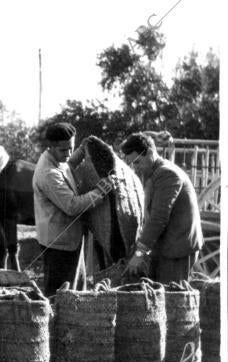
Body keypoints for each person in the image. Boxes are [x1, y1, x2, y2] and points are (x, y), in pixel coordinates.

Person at [32, 122, 112, 297]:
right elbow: (71, 206)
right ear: (50, 147)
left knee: (76, 289)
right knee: (60, 296)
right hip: (59, 245)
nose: (68, 154)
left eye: (71, 148)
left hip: (69, 239)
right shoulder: (48, 173)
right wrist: (99, 192)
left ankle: (73, 323)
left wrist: (82, 151)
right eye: (63, 150)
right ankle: (56, 324)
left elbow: (67, 165)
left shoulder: (56, 159)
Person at [121, 133, 203, 283]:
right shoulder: (153, 172)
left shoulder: (167, 173)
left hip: (177, 249)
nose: (136, 168)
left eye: (138, 162)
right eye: (132, 164)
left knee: (172, 300)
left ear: (151, 153)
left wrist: (139, 254)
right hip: (165, 248)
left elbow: (159, 218)